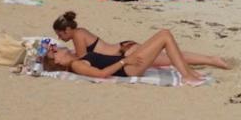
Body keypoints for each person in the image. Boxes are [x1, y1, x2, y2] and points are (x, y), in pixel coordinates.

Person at [52, 10, 229, 72]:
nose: (61, 38)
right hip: (125, 47)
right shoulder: (80, 32)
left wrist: (66, 56)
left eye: (61, 35)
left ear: (68, 29)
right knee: (169, 57)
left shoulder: (77, 35)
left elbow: (83, 59)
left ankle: (211, 60)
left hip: (127, 53)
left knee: (170, 58)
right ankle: (208, 60)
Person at [41, 30, 208, 85]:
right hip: (129, 68)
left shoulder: (77, 59)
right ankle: (187, 76)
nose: (58, 49)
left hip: (128, 64)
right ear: (57, 61)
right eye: (55, 52)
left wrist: (46, 51)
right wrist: (124, 61)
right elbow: (101, 74)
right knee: (164, 35)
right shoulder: (76, 66)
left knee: (165, 36)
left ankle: (188, 73)